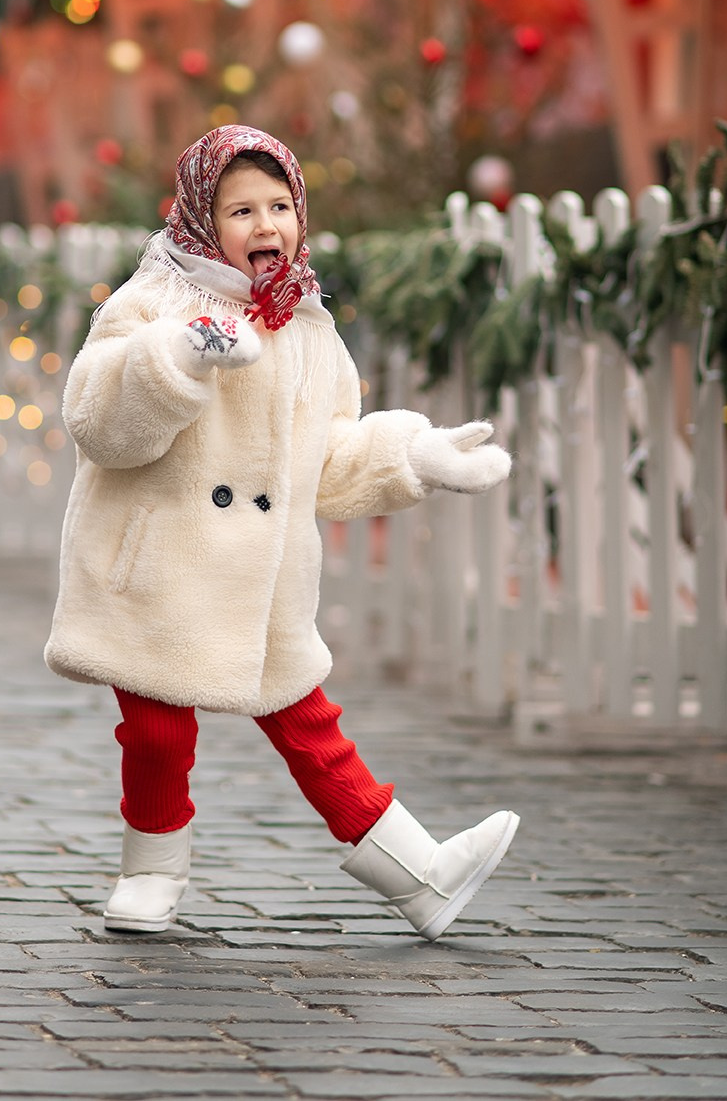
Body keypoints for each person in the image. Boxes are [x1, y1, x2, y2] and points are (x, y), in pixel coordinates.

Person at [45, 125, 518, 940]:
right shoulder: (153, 301)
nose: (265, 225)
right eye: (240, 209)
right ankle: (151, 871)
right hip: (159, 561)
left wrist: (413, 454)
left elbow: (325, 457)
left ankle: (422, 877)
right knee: (157, 728)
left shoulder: (307, 326)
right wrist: (176, 359)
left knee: (312, 728)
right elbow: (98, 422)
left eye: (278, 206)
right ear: (200, 218)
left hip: (262, 580)